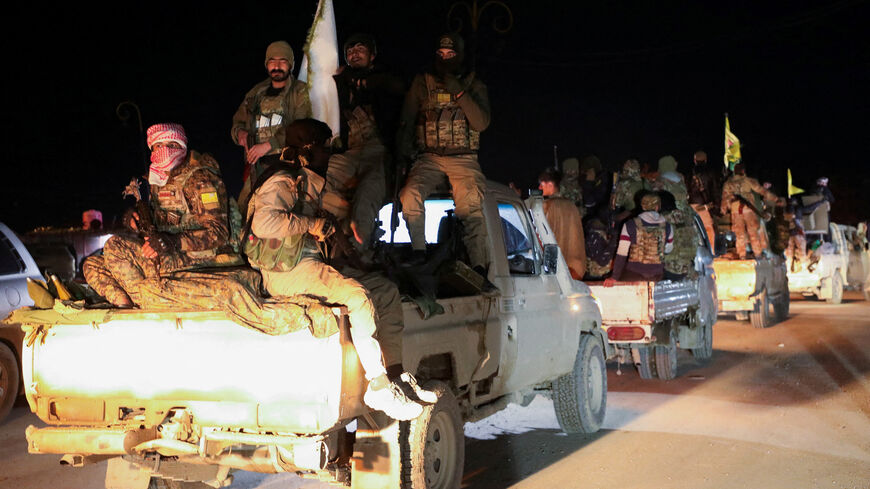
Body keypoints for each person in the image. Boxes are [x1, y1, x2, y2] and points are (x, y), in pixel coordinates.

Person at [245, 119, 433, 421]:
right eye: (324, 148)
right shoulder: (283, 180)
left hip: (307, 262)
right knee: (357, 296)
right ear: (309, 150)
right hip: (286, 271)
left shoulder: (306, 180)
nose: (329, 155)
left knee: (384, 291)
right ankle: (378, 386)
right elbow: (263, 223)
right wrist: (312, 225)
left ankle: (396, 376)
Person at [83, 123, 243, 307]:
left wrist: (171, 241)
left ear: (182, 147)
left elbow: (219, 233)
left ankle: (146, 301)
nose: (164, 151)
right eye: (158, 146)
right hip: (169, 254)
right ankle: (126, 302)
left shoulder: (199, 178)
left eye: (171, 145)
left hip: (198, 257)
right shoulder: (157, 180)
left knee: (115, 245)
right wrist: (133, 219)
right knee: (93, 265)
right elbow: (159, 223)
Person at [397, 33, 492, 281]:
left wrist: (460, 93)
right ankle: (419, 250)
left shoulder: (473, 84)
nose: (445, 58)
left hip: (464, 158)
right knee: (409, 196)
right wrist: (402, 154)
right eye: (441, 54)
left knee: (470, 208)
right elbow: (407, 120)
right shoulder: (423, 84)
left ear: (459, 56)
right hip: (430, 157)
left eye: (451, 55)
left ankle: (479, 265)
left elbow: (481, 123)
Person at [324, 33, 405, 250]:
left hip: (377, 149)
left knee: (370, 189)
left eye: (360, 49)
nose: (354, 54)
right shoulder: (341, 83)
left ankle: (358, 247)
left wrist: (362, 81)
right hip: (349, 150)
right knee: (318, 182)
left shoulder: (384, 78)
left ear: (372, 55)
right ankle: (340, 223)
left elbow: (396, 86)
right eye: (350, 51)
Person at [232, 41, 312, 200]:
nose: (277, 65)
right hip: (257, 166)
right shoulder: (256, 93)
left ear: (290, 65)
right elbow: (238, 122)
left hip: (288, 165)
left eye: (283, 61)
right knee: (243, 207)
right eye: (272, 61)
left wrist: (268, 145)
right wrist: (239, 133)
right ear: (266, 64)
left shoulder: (300, 91)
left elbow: (300, 126)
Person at [604, 192, 673, 285]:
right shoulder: (668, 226)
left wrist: (614, 277)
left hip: (633, 273)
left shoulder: (630, 225)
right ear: (657, 207)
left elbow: (622, 253)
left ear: (643, 207)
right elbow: (668, 249)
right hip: (657, 275)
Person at [720, 163, 777, 259]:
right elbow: (761, 190)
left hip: (735, 211)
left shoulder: (728, 183)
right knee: (753, 233)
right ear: (743, 171)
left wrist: (723, 210)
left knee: (739, 235)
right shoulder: (748, 181)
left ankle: (742, 255)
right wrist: (774, 198)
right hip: (749, 210)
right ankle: (758, 254)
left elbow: (725, 198)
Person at [653, 156, 698, 279]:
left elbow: (654, 201)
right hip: (684, 217)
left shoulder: (660, 181)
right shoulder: (681, 178)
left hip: (667, 216)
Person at [538, 167, 586, 279]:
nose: (539, 188)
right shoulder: (572, 205)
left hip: (555, 268)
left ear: (550, 185)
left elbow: (540, 235)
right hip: (576, 268)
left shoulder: (546, 206)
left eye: (541, 184)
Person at [686, 150, 721, 251]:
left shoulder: (689, 173)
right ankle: (712, 251)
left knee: (693, 229)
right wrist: (717, 207)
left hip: (691, 205)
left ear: (694, 160)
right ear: (706, 160)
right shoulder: (711, 172)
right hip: (704, 205)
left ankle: (695, 251)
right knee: (708, 228)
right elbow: (715, 190)